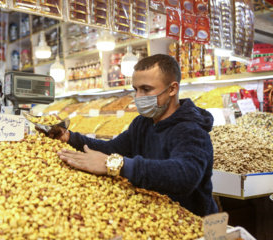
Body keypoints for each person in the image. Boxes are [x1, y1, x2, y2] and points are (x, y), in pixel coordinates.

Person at [53, 54, 218, 217]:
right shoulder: (143, 123)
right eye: (136, 90)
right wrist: (70, 138)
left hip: (193, 223)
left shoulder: (191, 129)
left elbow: (184, 176)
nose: (138, 97)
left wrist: (115, 165)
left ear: (172, 89)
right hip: (155, 216)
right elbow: (112, 148)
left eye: (146, 89)